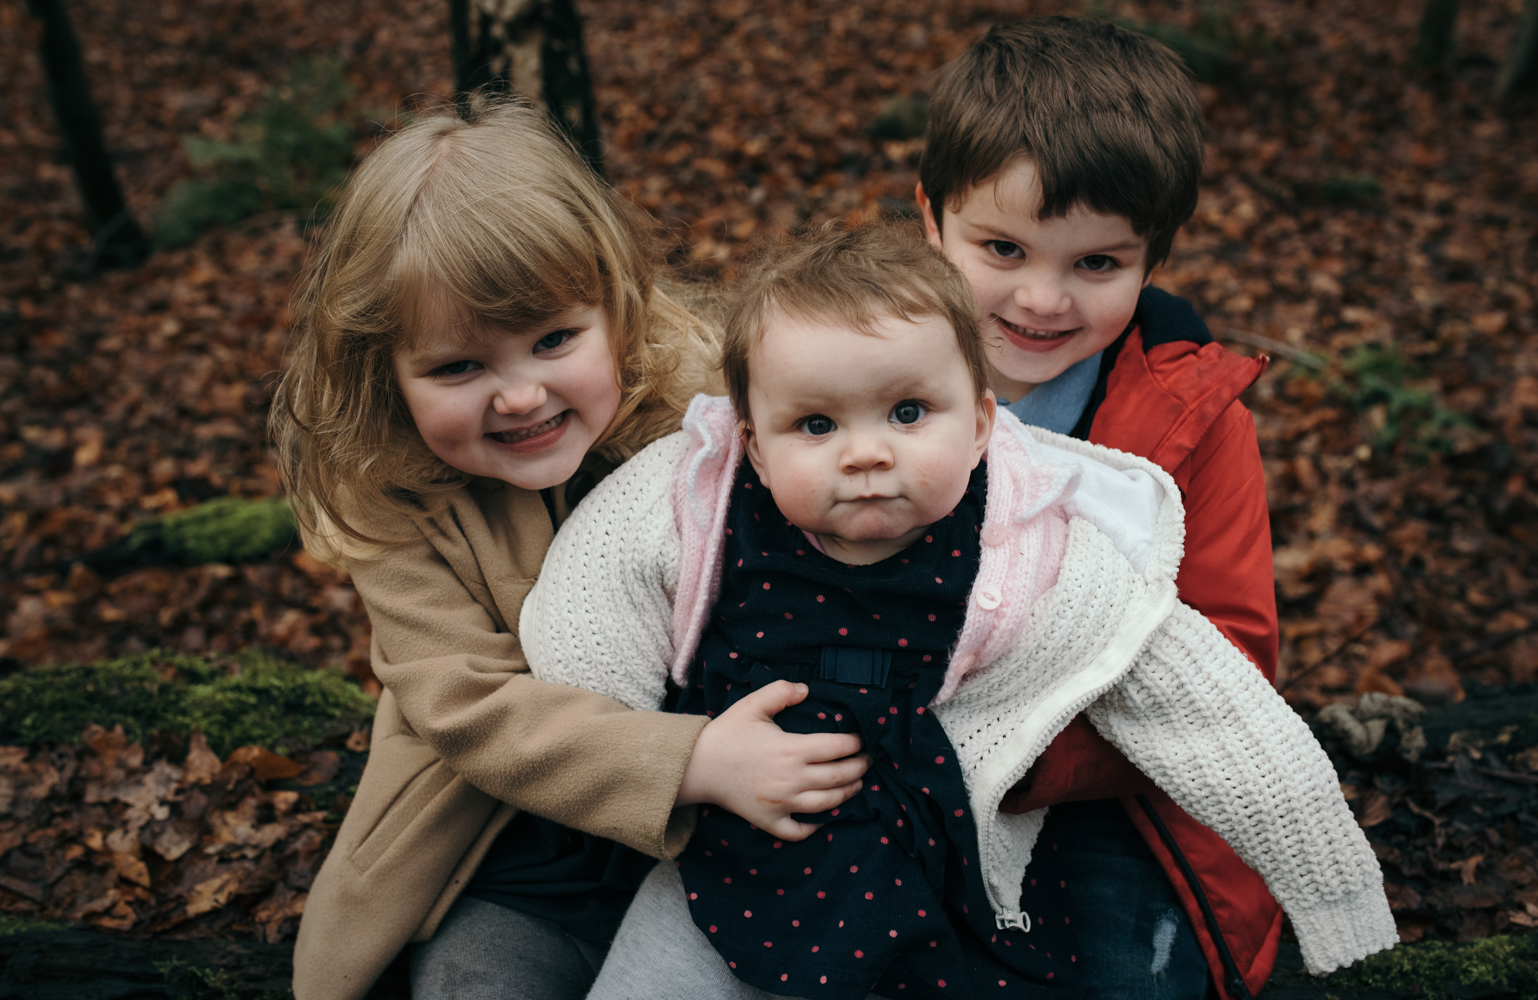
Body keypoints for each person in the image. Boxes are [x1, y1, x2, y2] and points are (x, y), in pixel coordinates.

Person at [519, 224, 1395, 1000]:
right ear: (752, 438)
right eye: (816, 426)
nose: (866, 453)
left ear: (980, 424)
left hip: (936, 872)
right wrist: (664, 759)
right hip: (730, 854)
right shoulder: (696, 502)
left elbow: (1212, 709)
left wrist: (1334, 894)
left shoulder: (1036, 546)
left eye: (908, 413)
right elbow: (580, 630)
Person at [271, 97, 871, 1000]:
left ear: (617, 307)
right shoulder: (396, 502)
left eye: (553, 340)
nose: (519, 396)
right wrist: (689, 759)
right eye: (458, 367)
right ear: (383, 370)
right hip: (515, 851)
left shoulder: (710, 416)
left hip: (736, 832)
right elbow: (468, 707)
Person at [914, 18, 1283, 998]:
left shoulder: (1194, 427)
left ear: (1149, 258)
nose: (1041, 300)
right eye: (1000, 247)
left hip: (1112, 806)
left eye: (1094, 265)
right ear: (929, 220)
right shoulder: (855, 373)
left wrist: (1015, 758)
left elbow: (1228, 657)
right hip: (888, 775)